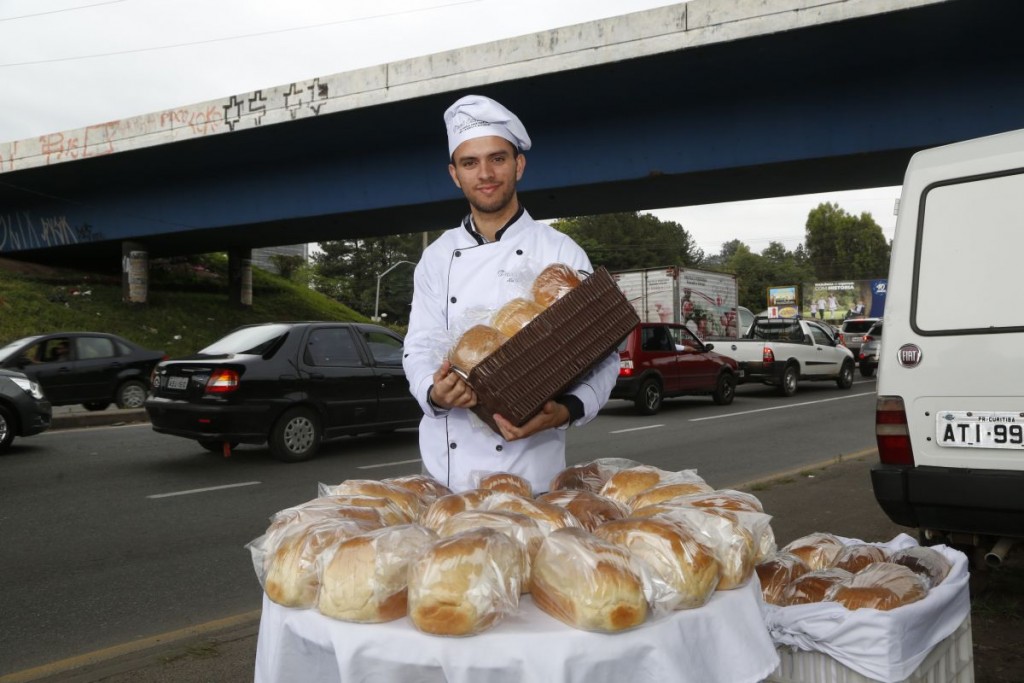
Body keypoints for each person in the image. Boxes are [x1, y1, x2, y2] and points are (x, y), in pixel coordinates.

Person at [402, 94, 619, 494]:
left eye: (497, 158)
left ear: (518, 164)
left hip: (531, 476)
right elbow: (418, 347)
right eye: (470, 163)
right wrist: (435, 392)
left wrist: (566, 412)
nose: (485, 173)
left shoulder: (560, 254)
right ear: (455, 174)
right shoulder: (435, 258)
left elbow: (604, 353)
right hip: (445, 481)